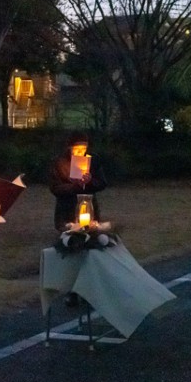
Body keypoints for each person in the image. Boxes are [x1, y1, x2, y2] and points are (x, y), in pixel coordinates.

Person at [48, 131, 107, 306]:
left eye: (84, 148)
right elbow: (55, 188)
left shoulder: (93, 161)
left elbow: (102, 183)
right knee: (71, 250)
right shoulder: (59, 162)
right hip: (67, 211)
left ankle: (89, 290)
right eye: (77, 148)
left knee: (89, 250)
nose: (81, 151)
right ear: (69, 147)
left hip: (88, 209)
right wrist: (73, 185)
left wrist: (90, 181)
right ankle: (72, 291)